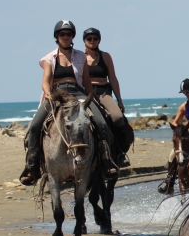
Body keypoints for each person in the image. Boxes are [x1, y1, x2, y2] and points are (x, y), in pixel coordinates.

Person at [20, 21, 119, 186]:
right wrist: (47, 93)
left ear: (73, 36)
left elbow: (86, 81)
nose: (65, 37)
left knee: (101, 123)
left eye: (68, 34)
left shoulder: (80, 56)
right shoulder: (49, 58)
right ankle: (32, 165)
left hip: (78, 93)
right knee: (35, 125)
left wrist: (90, 98)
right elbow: (45, 81)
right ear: (56, 37)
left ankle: (106, 160)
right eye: (62, 34)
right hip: (56, 93)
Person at [83, 27, 133, 166]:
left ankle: (121, 152)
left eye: (95, 38)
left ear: (99, 40)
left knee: (117, 117)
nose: (92, 41)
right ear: (84, 41)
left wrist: (119, 99)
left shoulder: (106, 56)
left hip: (103, 92)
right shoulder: (79, 57)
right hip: (85, 93)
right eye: (89, 38)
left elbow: (113, 78)